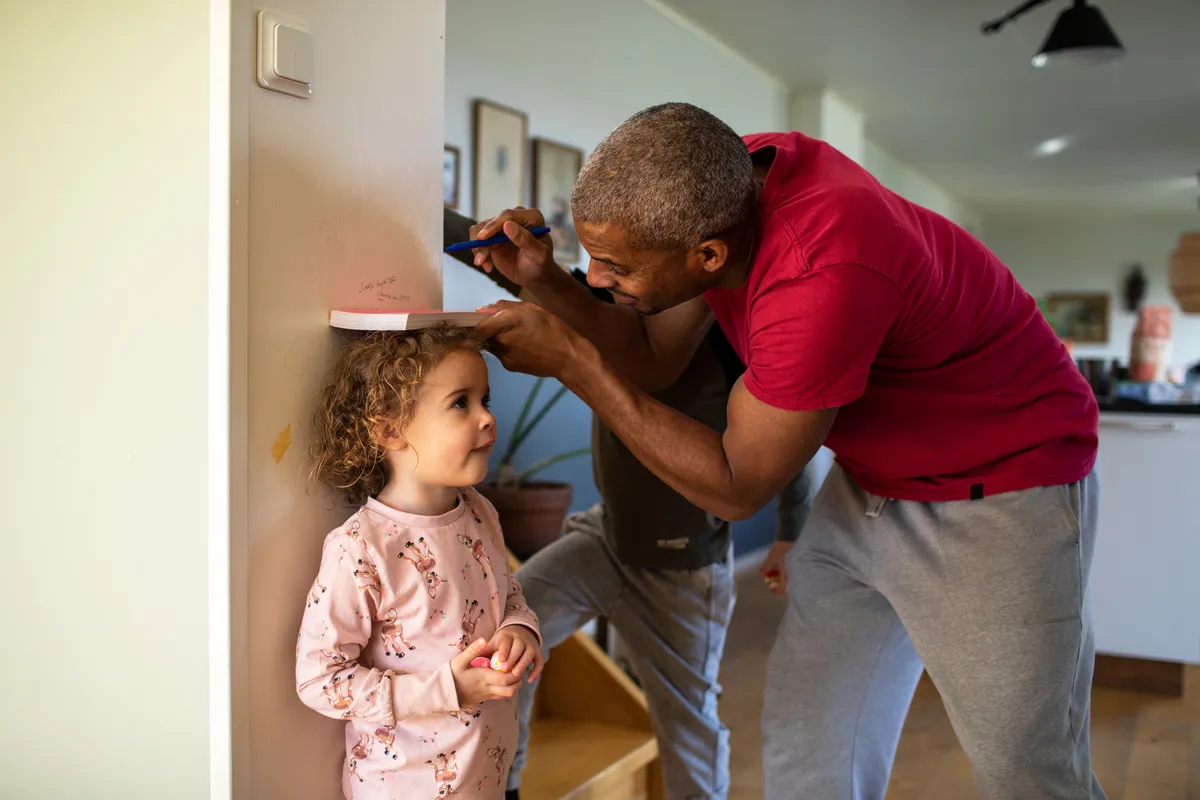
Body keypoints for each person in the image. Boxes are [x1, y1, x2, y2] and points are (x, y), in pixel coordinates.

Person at [468, 103, 1104, 800]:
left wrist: (575, 365)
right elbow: (652, 358)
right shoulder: (724, 187)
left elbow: (737, 484)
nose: (595, 278)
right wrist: (544, 280)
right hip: (870, 484)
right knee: (812, 758)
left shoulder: (819, 270)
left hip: (1002, 487)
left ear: (707, 255)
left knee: (1029, 776)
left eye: (616, 266)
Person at [444, 206, 816, 800]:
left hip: (682, 569)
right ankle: (504, 788)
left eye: (618, 268)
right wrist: (426, 213)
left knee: (686, 724)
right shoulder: (610, 314)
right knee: (504, 634)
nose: (600, 279)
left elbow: (788, 448)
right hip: (606, 537)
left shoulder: (734, 343)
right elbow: (536, 279)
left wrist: (792, 532)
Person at [294, 326, 544, 799]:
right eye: (460, 403)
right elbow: (319, 680)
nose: (487, 418)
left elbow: (507, 595)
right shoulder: (361, 549)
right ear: (388, 428)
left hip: (484, 778)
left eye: (485, 400)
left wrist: (518, 631)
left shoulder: (479, 512)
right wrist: (447, 690)